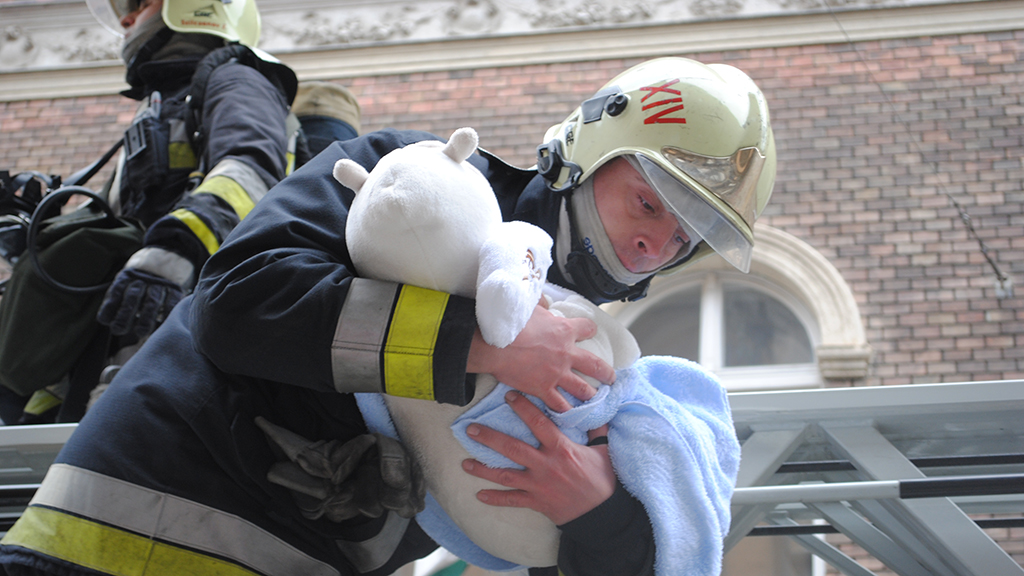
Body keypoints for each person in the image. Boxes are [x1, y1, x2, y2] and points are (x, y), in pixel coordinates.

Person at [0, 57, 775, 576]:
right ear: (590, 146)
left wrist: (596, 510)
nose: (655, 241)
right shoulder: (415, 182)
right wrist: (474, 343)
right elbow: (237, 302)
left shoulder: (597, 365)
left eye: (686, 235)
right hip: (111, 546)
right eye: (649, 200)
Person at [0, 0, 359, 424]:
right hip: (120, 333)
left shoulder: (237, 78)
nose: (127, 19)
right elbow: (121, 225)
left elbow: (248, 168)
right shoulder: (166, 104)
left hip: (179, 320)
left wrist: (172, 254)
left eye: (141, 3)